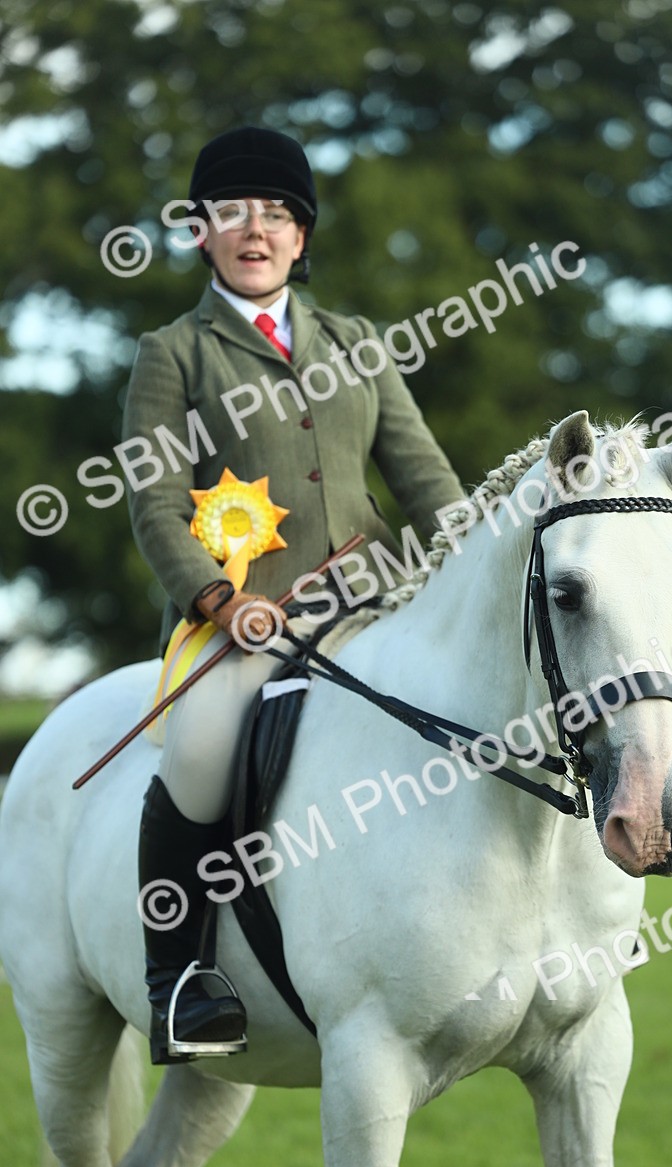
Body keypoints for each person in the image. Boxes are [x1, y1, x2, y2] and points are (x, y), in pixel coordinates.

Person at [123, 126, 464, 1065]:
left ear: (302, 237)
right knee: (197, 750)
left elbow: (425, 478)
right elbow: (152, 501)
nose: (256, 229)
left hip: (372, 601)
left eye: (277, 214)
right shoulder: (174, 354)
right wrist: (213, 600)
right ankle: (181, 984)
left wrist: (477, 557)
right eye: (232, 212)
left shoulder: (356, 344)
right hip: (249, 620)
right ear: (202, 232)